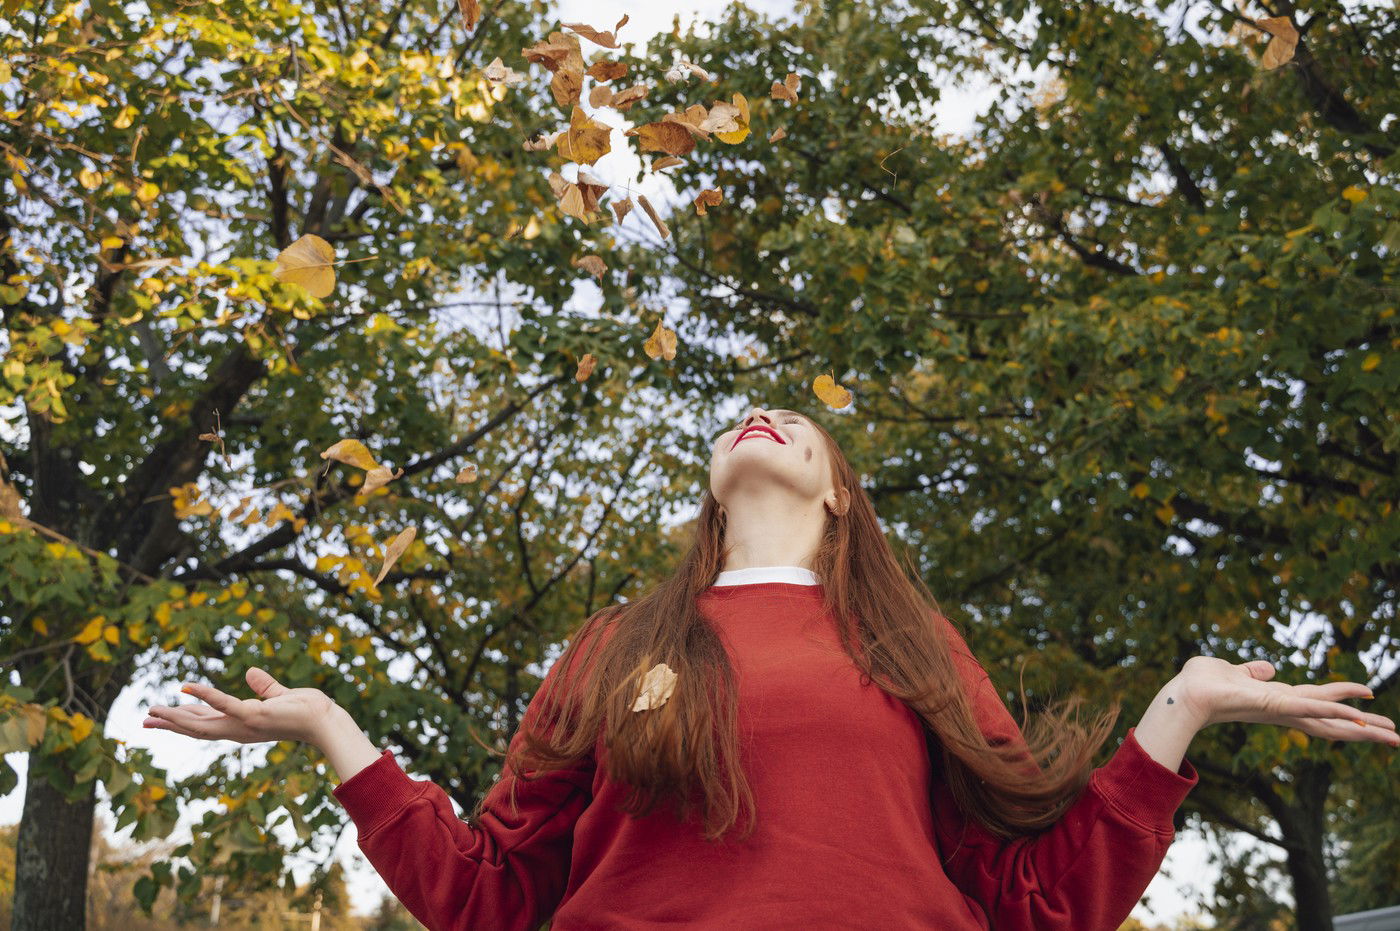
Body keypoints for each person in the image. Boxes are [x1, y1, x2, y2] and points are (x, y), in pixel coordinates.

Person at [142, 406, 1397, 931]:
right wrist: (335, 734)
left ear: (840, 489)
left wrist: (1180, 707)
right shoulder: (616, 645)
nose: (762, 415)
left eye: (797, 420)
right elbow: (489, 899)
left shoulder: (907, 649)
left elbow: (1034, 898)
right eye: (743, 416)